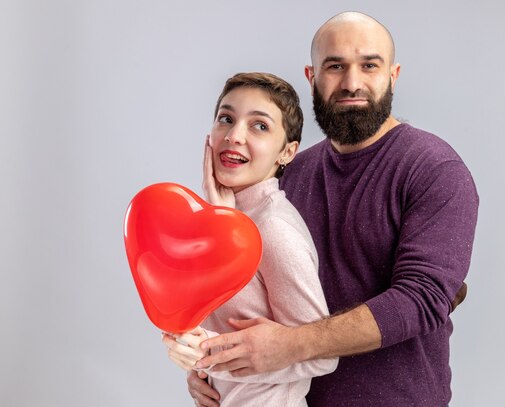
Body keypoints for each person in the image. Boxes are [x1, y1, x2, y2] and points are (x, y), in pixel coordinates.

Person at [188, 11, 479, 407]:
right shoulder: (289, 174)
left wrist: (290, 345)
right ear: (312, 77)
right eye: (335, 66)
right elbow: (254, 298)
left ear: (393, 75)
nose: (351, 82)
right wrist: (211, 368)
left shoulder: (433, 169)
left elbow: (423, 299)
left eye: (369, 65)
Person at [162, 72, 337, 406]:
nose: (234, 135)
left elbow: (320, 356)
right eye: (226, 119)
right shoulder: (223, 220)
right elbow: (220, 325)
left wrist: (206, 352)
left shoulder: (274, 228)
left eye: (259, 126)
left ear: (287, 152)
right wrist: (198, 366)